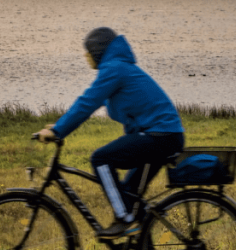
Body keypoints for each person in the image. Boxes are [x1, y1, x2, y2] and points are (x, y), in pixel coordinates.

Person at [37, 27, 185, 239]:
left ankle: (125, 220)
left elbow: (86, 103)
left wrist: (59, 130)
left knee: (101, 159)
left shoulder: (114, 69)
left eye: (87, 51)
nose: (84, 55)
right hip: (165, 136)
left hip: (160, 137)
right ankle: (139, 233)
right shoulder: (118, 68)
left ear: (97, 51)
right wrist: (58, 127)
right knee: (129, 195)